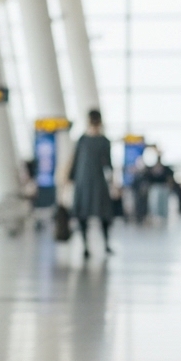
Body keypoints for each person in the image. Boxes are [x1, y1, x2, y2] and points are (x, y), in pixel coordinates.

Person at [70, 109, 115, 258]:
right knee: (83, 214)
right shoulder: (82, 140)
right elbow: (75, 162)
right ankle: (85, 245)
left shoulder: (103, 141)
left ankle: (105, 244)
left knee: (103, 214)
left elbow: (108, 164)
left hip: (95, 182)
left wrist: (113, 182)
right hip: (84, 182)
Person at [135, 146, 179, 219]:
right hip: (155, 187)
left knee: (163, 204)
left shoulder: (166, 168)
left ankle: (163, 217)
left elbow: (169, 178)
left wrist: (170, 186)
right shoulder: (150, 168)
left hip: (163, 187)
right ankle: (156, 217)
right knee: (155, 204)